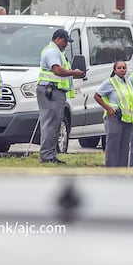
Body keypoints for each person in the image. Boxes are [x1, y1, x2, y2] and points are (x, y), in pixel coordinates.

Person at [37, 29, 85, 164]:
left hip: (55, 91)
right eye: (65, 41)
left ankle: (51, 154)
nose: (66, 44)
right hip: (51, 91)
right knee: (50, 124)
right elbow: (57, 70)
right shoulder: (52, 52)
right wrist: (73, 72)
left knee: (55, 124)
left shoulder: (57, 52)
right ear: (58, 39)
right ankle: (47, 156)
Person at [94, 61, 133, 167]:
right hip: (114, 119)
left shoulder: (128, 83)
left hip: (127, 120)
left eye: (124, 67)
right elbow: (97, 96)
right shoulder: (110, 82)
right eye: (119, 68)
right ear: (114, 70)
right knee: (113, 147)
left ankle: (121, 173)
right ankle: (111, 173)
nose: (122, 69)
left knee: (124, 148)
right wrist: (108, 108)